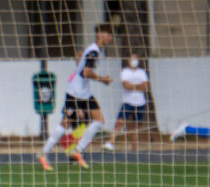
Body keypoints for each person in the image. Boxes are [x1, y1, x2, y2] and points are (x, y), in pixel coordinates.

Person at [37, 23, 114, 171]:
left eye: (111, 35)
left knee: (99, 120)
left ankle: (76, 151)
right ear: (99, 35)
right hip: (76, 93)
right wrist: (102, 79)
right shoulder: (94, 51)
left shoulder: (97, 50)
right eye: (108, 34)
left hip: (84, 92)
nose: (110, 38)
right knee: (65, 124)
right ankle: (44, 153)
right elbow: (85, 72)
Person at [106, 52, 150, 150]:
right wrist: (138, 86)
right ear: (128, 60)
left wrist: (133, 86)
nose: (134, 61)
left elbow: (146, 86)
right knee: (119, 122)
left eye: (136, 58)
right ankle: (111, 142)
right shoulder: (125, 72)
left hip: (140, 102)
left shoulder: (142, 72)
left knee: (136, 126)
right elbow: (126, 85)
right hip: (128, 102)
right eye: (132, 58)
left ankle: (134, 147)